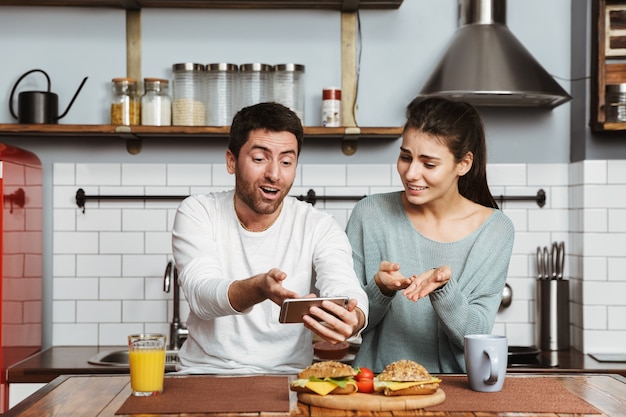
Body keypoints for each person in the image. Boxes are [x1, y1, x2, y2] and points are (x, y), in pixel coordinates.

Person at [171, 102, 368, 375]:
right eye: (260, 159)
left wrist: (353, 317)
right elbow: (201, 296)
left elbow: (346, 287)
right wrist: (258, 288)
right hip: (204, 375)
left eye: (286, 161)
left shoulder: (318, 225)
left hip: (286, 380)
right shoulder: (199, 212)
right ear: (232, 161)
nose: (274, 174)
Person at [346, 96, 514, 374]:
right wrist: (381, 289)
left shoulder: (495, 230)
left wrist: (445, 290)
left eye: (429, 164)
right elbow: (351, 323)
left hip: (454, 393)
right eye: (405, 157)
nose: (411, 173)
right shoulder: (370, 214)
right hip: (374, 387)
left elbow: (473, 335)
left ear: (463, 164)